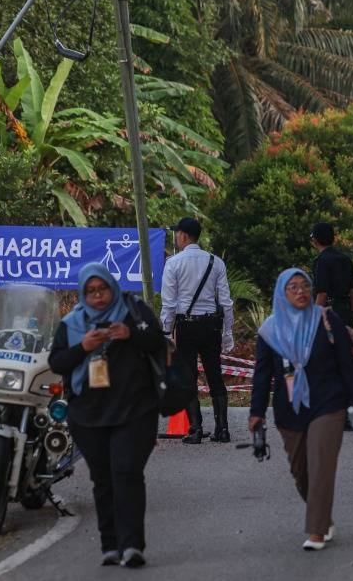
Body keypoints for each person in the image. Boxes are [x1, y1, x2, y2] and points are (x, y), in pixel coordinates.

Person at [48, 263, 165, 567]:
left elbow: (158, 341)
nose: (98, 297)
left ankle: (132, 546)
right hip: (88, 415)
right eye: (91, 291)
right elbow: (57, 362)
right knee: (103, 479)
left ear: (113, 287)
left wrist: (130, 334)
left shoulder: (133, 310)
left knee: (126, 473)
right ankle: (110, 545)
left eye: (103, 289)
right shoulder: (72, 324)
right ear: (82, 294)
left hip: (135, 410)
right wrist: (84, 347)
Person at [249, 268, 353, 551]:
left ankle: (315, 531)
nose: (301, 291)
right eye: (293, 287)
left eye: (305, 285)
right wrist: (256, 412)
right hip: (289, 410)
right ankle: (324, 518)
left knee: (320, 466)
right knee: (301, 472)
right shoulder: (269, 330)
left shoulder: (327, 320)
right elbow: (262, 375)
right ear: (282, 293)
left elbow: (347, 364)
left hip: (329, 403)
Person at [160, 217, 235, 444]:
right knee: (215, 376)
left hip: (186, 326)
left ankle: (195, 429)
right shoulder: (216, 262)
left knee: (188, 377)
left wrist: (165, 332)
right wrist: (228, 332)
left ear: (183, 235)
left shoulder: (173, 263)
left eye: (177, 233)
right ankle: (223, 429)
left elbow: (169, 304)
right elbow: (226, 302)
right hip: (211, 326)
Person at [310, 222, 353, 328]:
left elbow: (322, 294)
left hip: (330, 314)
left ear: (315, 240)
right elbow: (352, 291)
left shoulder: (321, 261)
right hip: (345, 312)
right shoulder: (346, 260)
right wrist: (349, 311)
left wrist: (314, 319)